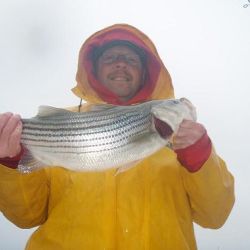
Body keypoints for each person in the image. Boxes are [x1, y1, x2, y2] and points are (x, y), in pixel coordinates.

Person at [0, 24, 234, 250]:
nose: (121, 64)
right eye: (110, 58)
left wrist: (199, 155)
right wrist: (12, 161)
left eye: (131, 60)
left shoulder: (186, 144)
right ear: (94, 69)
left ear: (145, 72)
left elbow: (215, 216)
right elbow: (26, 216)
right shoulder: (65, 121)